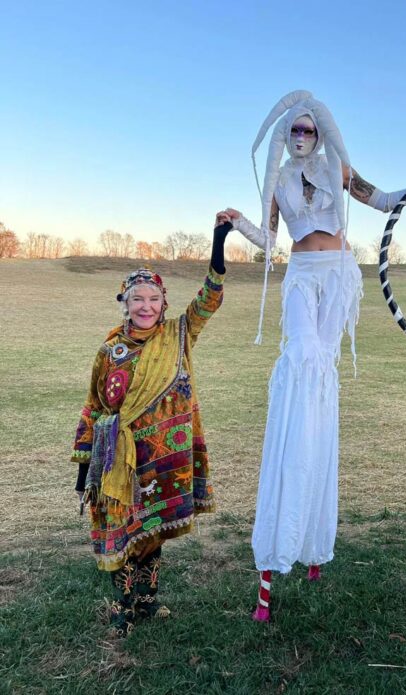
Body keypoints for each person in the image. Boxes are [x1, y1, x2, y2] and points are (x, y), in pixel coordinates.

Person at [219, 90, 406, 621]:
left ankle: (311, 528)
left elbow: (387, 199)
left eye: (311, 130)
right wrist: (236, 221)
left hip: (341, 277)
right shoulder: (279, 183)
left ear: (322, 134)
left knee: (321, 376)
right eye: (296, 131)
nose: (304, 138)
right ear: (286, 137)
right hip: (302, 277)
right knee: (302, 362)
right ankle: (289, 492)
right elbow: (268, 241)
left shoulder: (340, 171)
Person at [71, 219, 232, 637]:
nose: (145, 306)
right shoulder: (109, 351)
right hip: (117, 461)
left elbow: (210, 299)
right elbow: (93, 405)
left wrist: (219, 241)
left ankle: (147, 600)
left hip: (162, 458)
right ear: (124, 302)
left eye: (154, 298)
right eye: (136, 298)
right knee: (119, 531)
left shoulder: (178, 336)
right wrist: (83, 465)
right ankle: (120, 609)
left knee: (150, 535)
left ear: (164, 303)